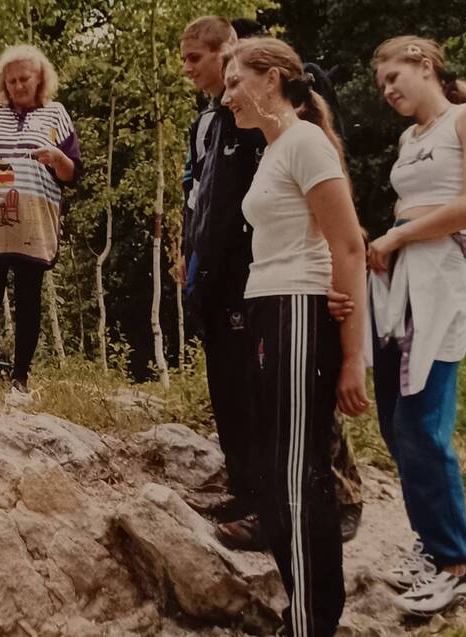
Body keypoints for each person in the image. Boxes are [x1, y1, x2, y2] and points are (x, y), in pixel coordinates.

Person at [178, 16, 364, 551]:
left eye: (197, 58)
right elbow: (205, 199)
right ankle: (256, 493)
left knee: (300, 407)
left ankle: (334, 500)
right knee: (248, 398)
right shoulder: (212, 123)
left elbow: (331, 215)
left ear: (228, 53)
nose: (189, 69)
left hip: (291, 284)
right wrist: (195, 263)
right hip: (239, 276)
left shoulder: (288, 129)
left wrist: (350, 337)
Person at [222, 37, 369, 637]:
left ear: (274, 78)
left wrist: (353, 354)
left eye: (235, 81)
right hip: (267, 308)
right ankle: (300, 613)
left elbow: (349, 244)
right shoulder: (273, 149)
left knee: (296, 471)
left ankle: (312, 623)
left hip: (299, 308)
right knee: (271, 472)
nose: (225, 95)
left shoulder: (306, 141)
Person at [365, 35, 466, 617]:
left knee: (422, 420)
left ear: (425, 64)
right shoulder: (407, 138)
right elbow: (408, 205)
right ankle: (429, 544)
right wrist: (392, 242)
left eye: (395, 76)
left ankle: (454, 566)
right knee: (396, 424)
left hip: (442, 276)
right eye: (382, 85)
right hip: (401, 279)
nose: (389, 90)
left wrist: (398, 234)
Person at [0, 44, 82, 405]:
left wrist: (58, 158)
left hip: (35, 219)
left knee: (28, 299)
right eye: (10, 81)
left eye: (24, 78)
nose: (17, 86)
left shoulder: (56, 115)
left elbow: (73, 174)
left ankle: (20, 382)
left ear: (39, 78)